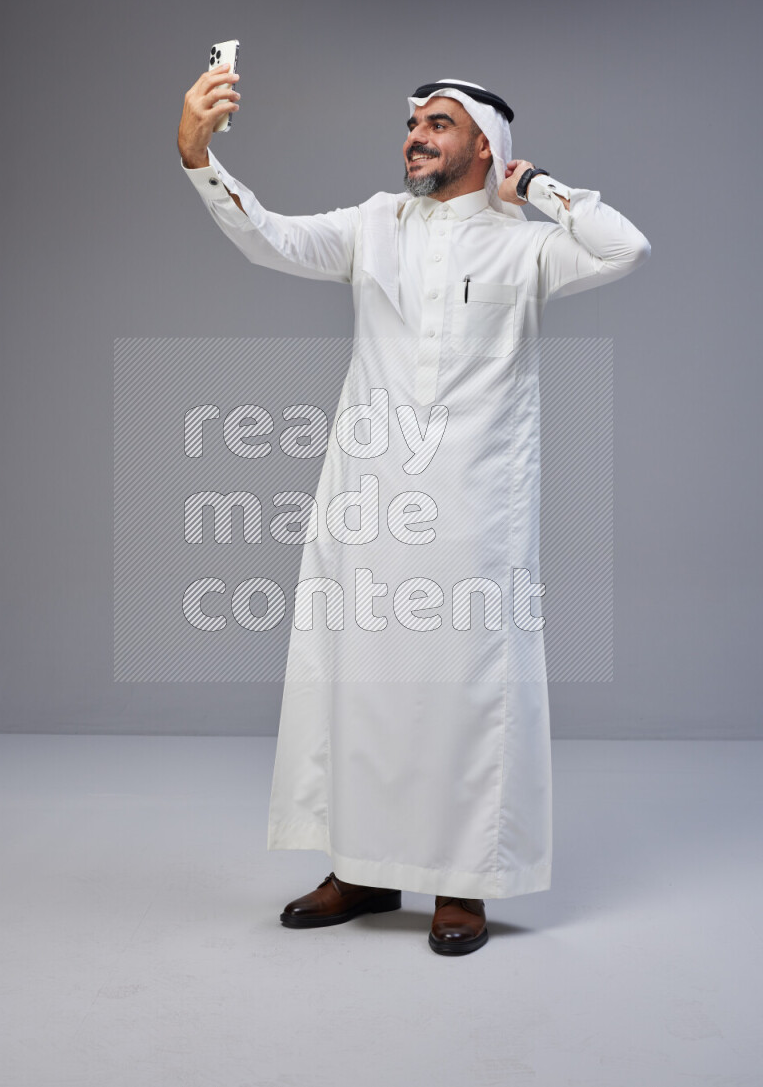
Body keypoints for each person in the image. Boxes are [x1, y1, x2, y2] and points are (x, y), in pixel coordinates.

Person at [177, 64, 651, 956]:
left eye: (440, 124)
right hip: (369, 497)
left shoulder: (526, 246)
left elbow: (626, 248)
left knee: (465, 689)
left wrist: (540, 189)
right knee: (361, 678)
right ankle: (361, 866)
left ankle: (463, 883)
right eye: (414, 124)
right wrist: (201, 160)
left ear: (484, 144)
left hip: (478, 499)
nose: (416, 137)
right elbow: (269, 238)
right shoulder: (374, 226)